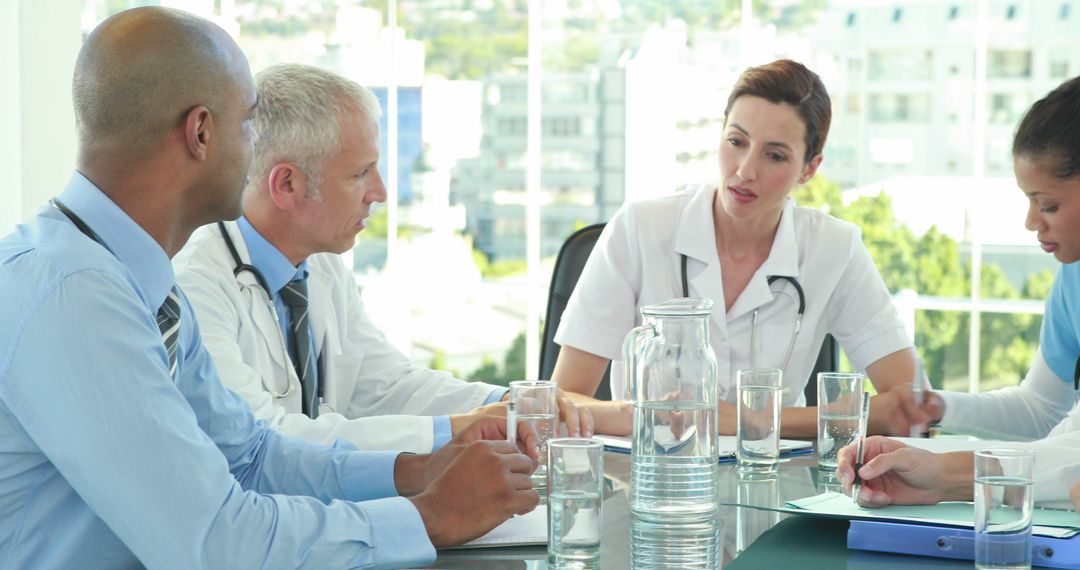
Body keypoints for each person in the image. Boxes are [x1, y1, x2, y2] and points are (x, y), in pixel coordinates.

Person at [0, 8, 539, 568]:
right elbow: (219, 543)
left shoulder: (135, 281)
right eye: (250, 122)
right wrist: (431, 517)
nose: (260, 147)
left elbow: (251, 457)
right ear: (201, 132)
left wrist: (417, 470)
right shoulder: (74, 298)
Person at [173, 63, 592, 453]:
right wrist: (461, 428)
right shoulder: (196, 285)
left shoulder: (320, 263)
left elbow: (385, 385)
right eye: (360, 173)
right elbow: (262, 442)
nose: (380, 193)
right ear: (287, 184)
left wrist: (504, 403)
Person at [552, 59, 922, 437]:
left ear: (809, 169)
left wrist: (735, 419)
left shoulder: (834, 249)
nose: (746, 169)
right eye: (736, 142)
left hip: (778, 482)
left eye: (774, 155)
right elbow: (563, 401)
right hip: (651, 477)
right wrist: (775, 420)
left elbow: (912, 406)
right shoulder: (640, 228)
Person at [838, 74, 1080, 507]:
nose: (1031, 222)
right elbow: (1046, 413)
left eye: (1048, 205)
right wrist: (938, 409)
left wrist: (946, 474)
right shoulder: (1072, 278)